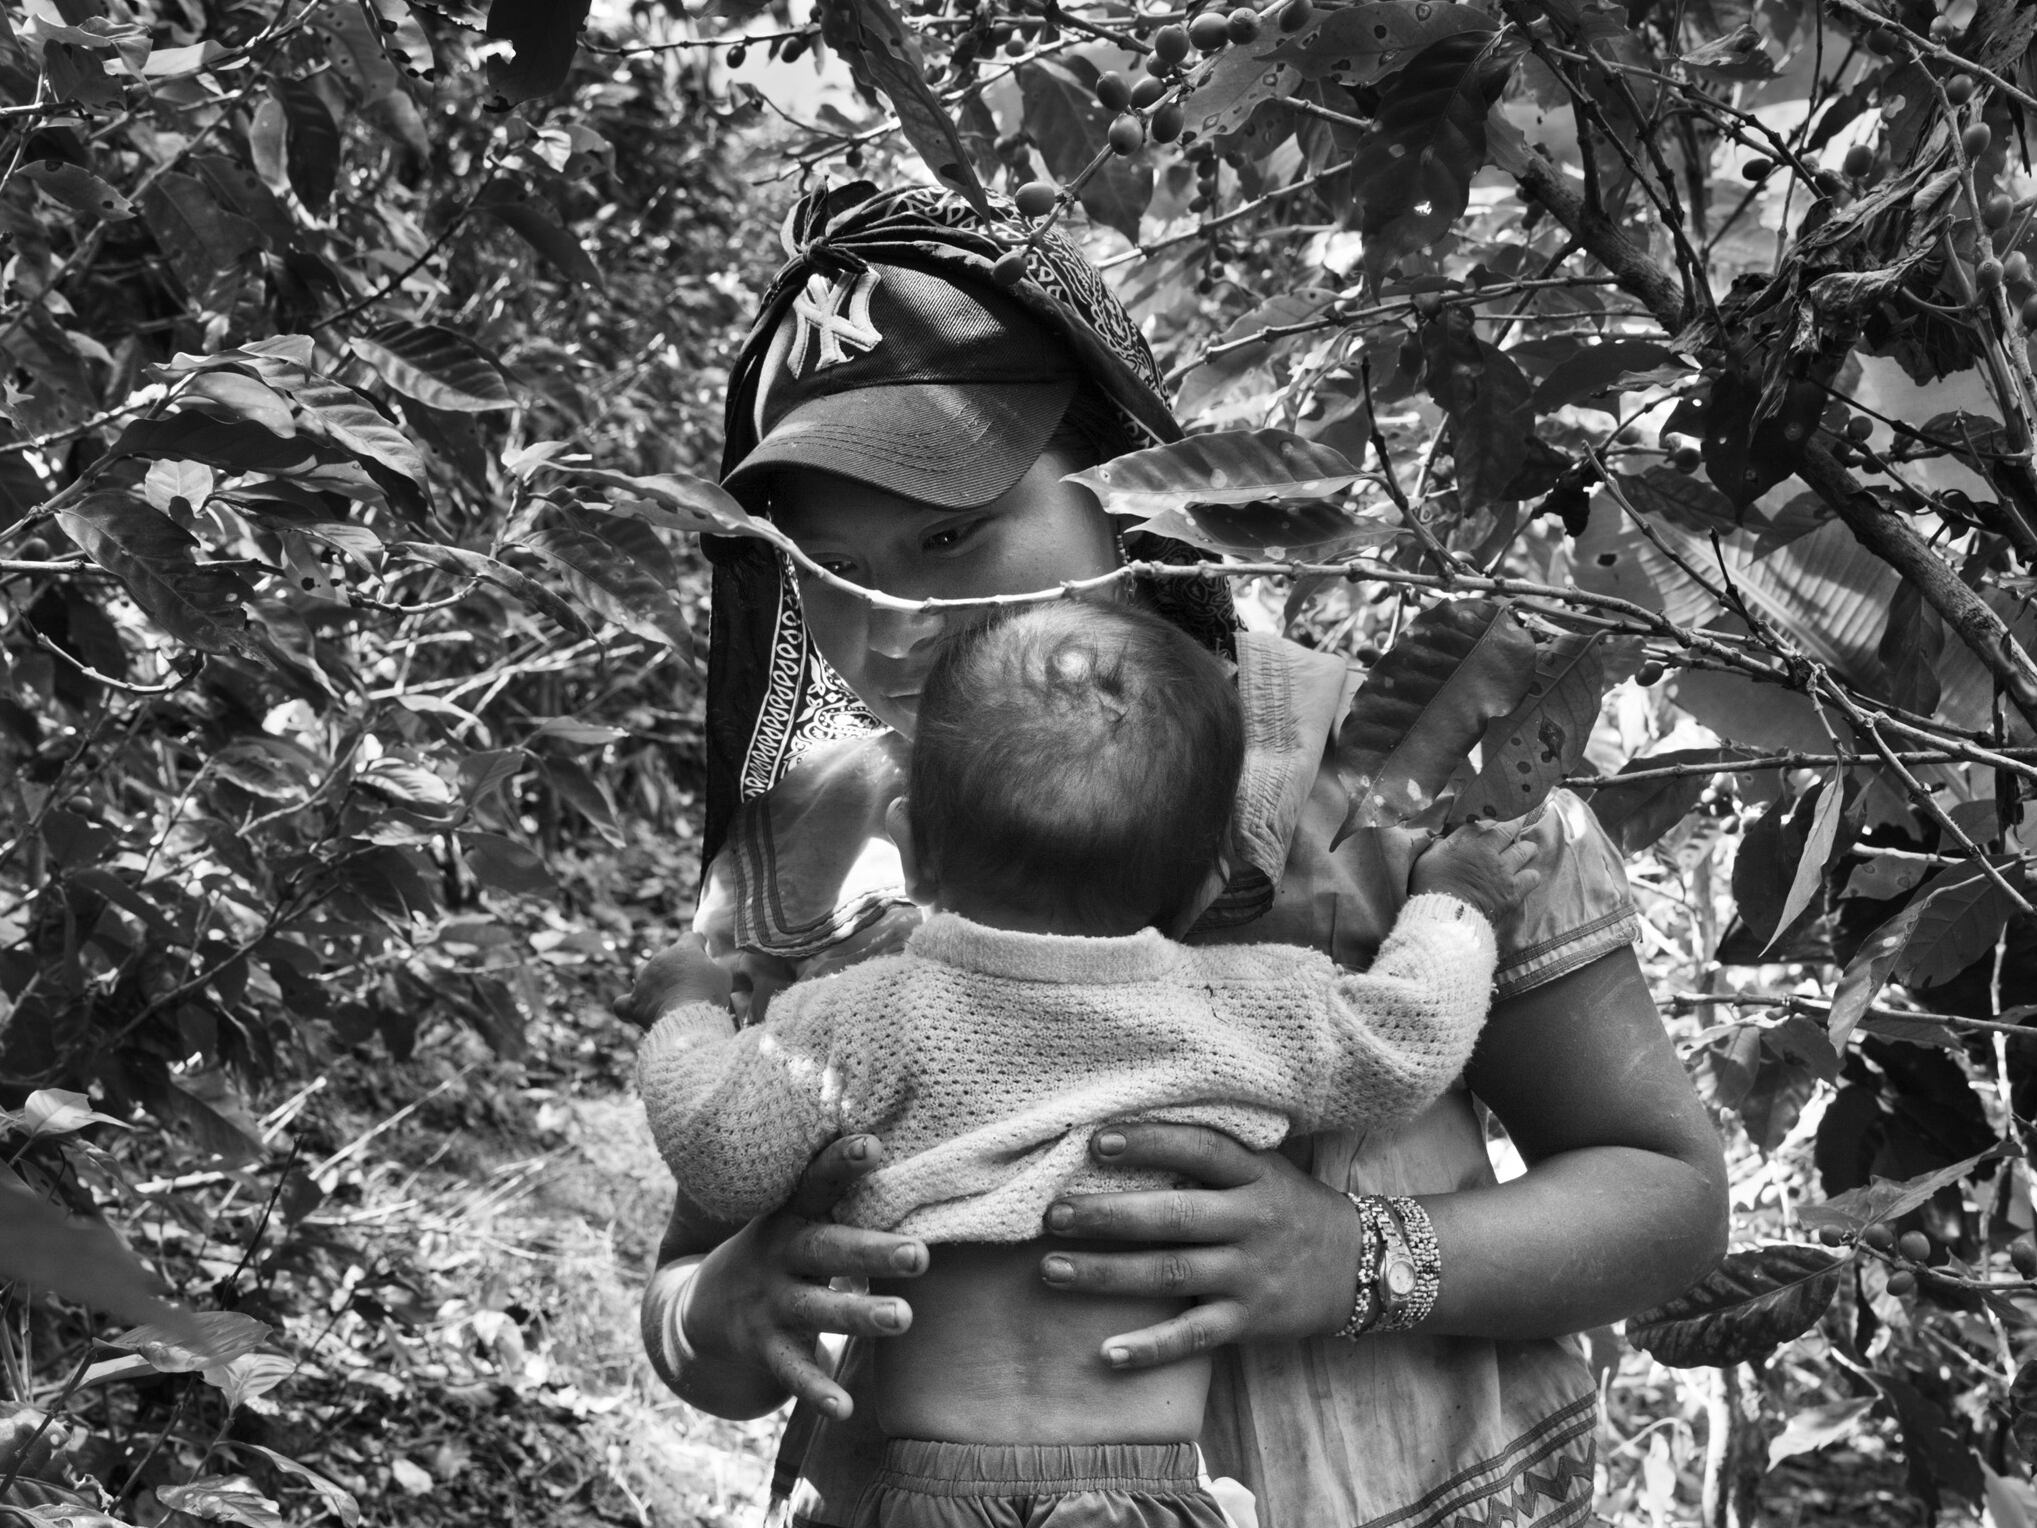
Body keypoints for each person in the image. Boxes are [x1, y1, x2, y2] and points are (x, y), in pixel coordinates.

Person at [623, 182, 1729, 1528]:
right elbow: (692, 1289)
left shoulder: (1401, 784)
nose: (891, 627)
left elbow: (1668, 1199)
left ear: (1129, 493)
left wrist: (1358, 1257)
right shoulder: (813, 855)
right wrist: (730, 1311)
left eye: (950, 536)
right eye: (829, 567)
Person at [635, 600, 1543, 1526]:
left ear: (910, 853)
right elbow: (1406, 1037)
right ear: (1213, 875)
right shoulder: (1238, 1008)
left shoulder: (860, 1017)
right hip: (1151, 1497)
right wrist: (1456, 904)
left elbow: (720, 1147)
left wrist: (686, 1009)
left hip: (922, 1495)